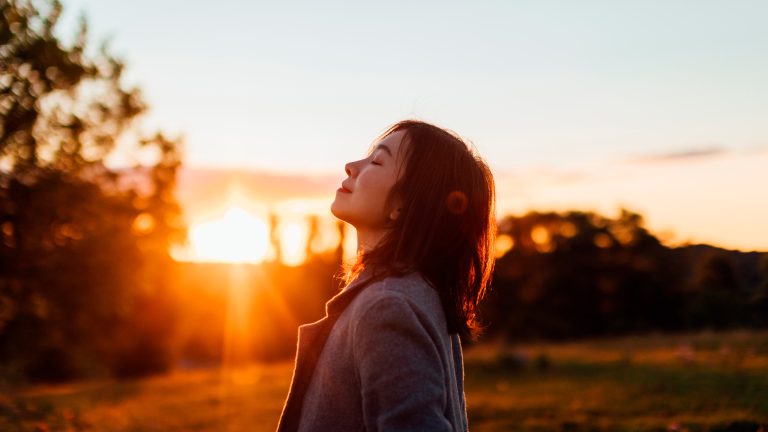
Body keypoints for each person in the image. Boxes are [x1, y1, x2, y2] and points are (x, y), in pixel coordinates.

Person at [277, 120, 496, 432]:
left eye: (377, 161)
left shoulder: (387, 306)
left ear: (403, 204)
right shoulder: (418, 293)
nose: (351, 166)